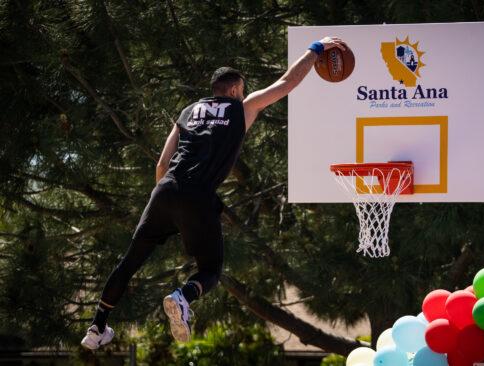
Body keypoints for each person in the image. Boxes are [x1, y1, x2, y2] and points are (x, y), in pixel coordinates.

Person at [81, 36, 347, 349]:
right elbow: (288, 81)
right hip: (198, 194)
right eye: (243, 89)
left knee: (130, 262)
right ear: (235, 89)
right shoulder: (242, 108)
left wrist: (169, 212)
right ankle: (183, 297)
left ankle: (97, 327)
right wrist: (316, 49)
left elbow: (162, 165)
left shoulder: (187, 112)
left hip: (165, 191)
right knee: (210, 270)